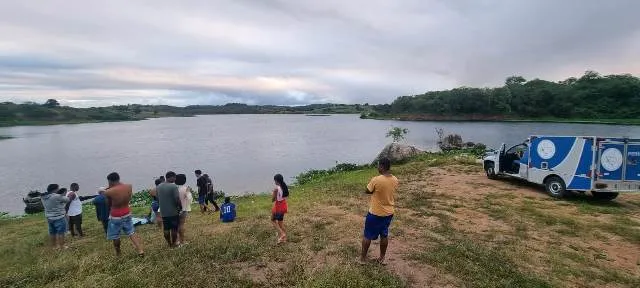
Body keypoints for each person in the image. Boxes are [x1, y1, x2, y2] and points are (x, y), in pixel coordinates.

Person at [360, 157, 398, 265]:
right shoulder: (395, 179)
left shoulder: (376, 179)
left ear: (381, 166)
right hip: (389, 213)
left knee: (367, 236)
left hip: (376, 213)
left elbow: (368, 191)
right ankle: (381, 258)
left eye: (378, 165)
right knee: (384, 235)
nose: (377, 167)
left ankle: (362, 259)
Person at [104, 172, 144, 257]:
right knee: (131, 232)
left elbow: (108, 204)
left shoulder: (108, 192)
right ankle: (140, 250)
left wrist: (109, 189)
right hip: (127, 212)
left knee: (115, 235)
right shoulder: (129, 186)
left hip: (115, 215)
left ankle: (118, 253)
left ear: (110, 181)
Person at [157, 171, 182, 248]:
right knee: (174, 228)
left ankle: (169, 243)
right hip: (173, 211)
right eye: (174, 177)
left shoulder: (159, 186)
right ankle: (174, 243)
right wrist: (180, 206)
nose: (175, 179)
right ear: (171, 177)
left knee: (166, 228)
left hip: (164, 212)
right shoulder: (173, 186)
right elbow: (177, 199)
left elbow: (158, 198)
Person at [41, 184, 70, 249]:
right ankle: (62, 246)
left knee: (52, 233)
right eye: (58, 188)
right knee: (61, 233)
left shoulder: (43, 197)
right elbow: (67, 199)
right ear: (54, 189)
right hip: (59, 217)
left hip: (49, 218)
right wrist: (62, 195)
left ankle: (54, 246)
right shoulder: (56, 196)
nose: (58, 190)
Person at [271, 174, 289, 244]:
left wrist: (273, 193)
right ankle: (284, 239)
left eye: (274, 180)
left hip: (278, 207)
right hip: (283, 205)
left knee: (272, 220)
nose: (274, 182)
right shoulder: (284, 187)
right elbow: (285, 196)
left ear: (276, 181)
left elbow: (273, 200)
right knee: (280, 224)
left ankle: (282, 234)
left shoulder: (276, 189)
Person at [176, 173, 192, 245]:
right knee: (181, 225)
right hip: (183, 209)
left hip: (174, 210)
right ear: (184, 180)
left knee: (175, 226)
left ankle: (176, 241)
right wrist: (188, 192)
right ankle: (182, 242)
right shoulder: (185, 189)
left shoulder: (174, 188)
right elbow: (190, 199)